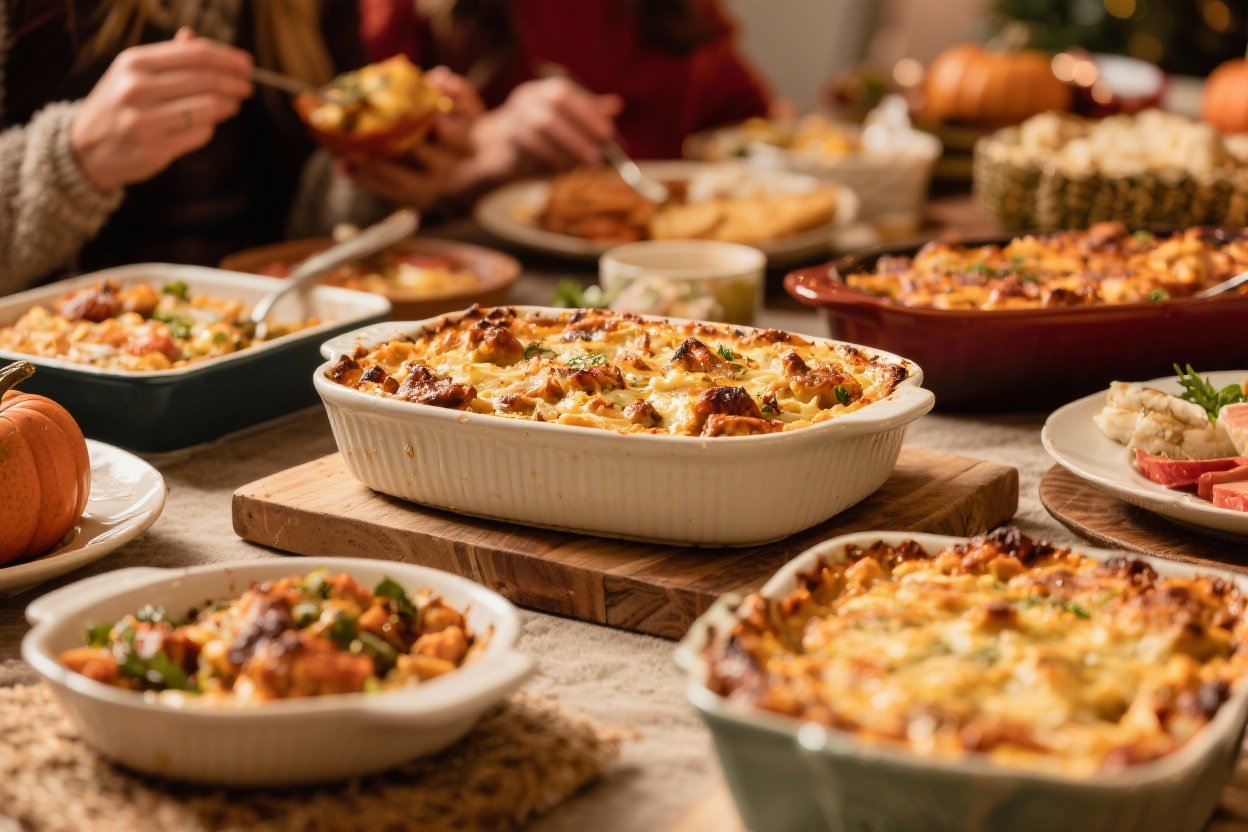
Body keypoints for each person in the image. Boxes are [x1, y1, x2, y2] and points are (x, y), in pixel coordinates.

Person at [0, 1, 477, 294]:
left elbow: (301, 219)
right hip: (51, 392)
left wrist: (384, 171)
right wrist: (71, 162)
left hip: (273, 356)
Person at [359, 0, 773, 194]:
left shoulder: (685, 12)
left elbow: (750, 124)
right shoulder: (401, 16)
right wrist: (480, 148)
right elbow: (338, 190)